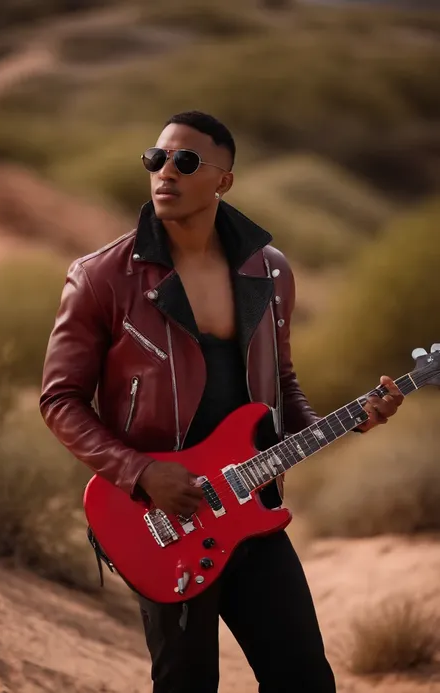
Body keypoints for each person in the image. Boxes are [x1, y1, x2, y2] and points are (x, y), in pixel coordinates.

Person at [39, 111, 403, 693]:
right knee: (188, 684)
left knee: (305, 678)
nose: (165, 173)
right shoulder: (102, 278)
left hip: (252, 506)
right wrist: (142, 472)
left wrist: (345, 421)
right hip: (161, 519)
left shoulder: (271, 271)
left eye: (185, 162)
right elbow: (60, 400)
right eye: (155, 159)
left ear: (223, 181)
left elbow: (280, 384)